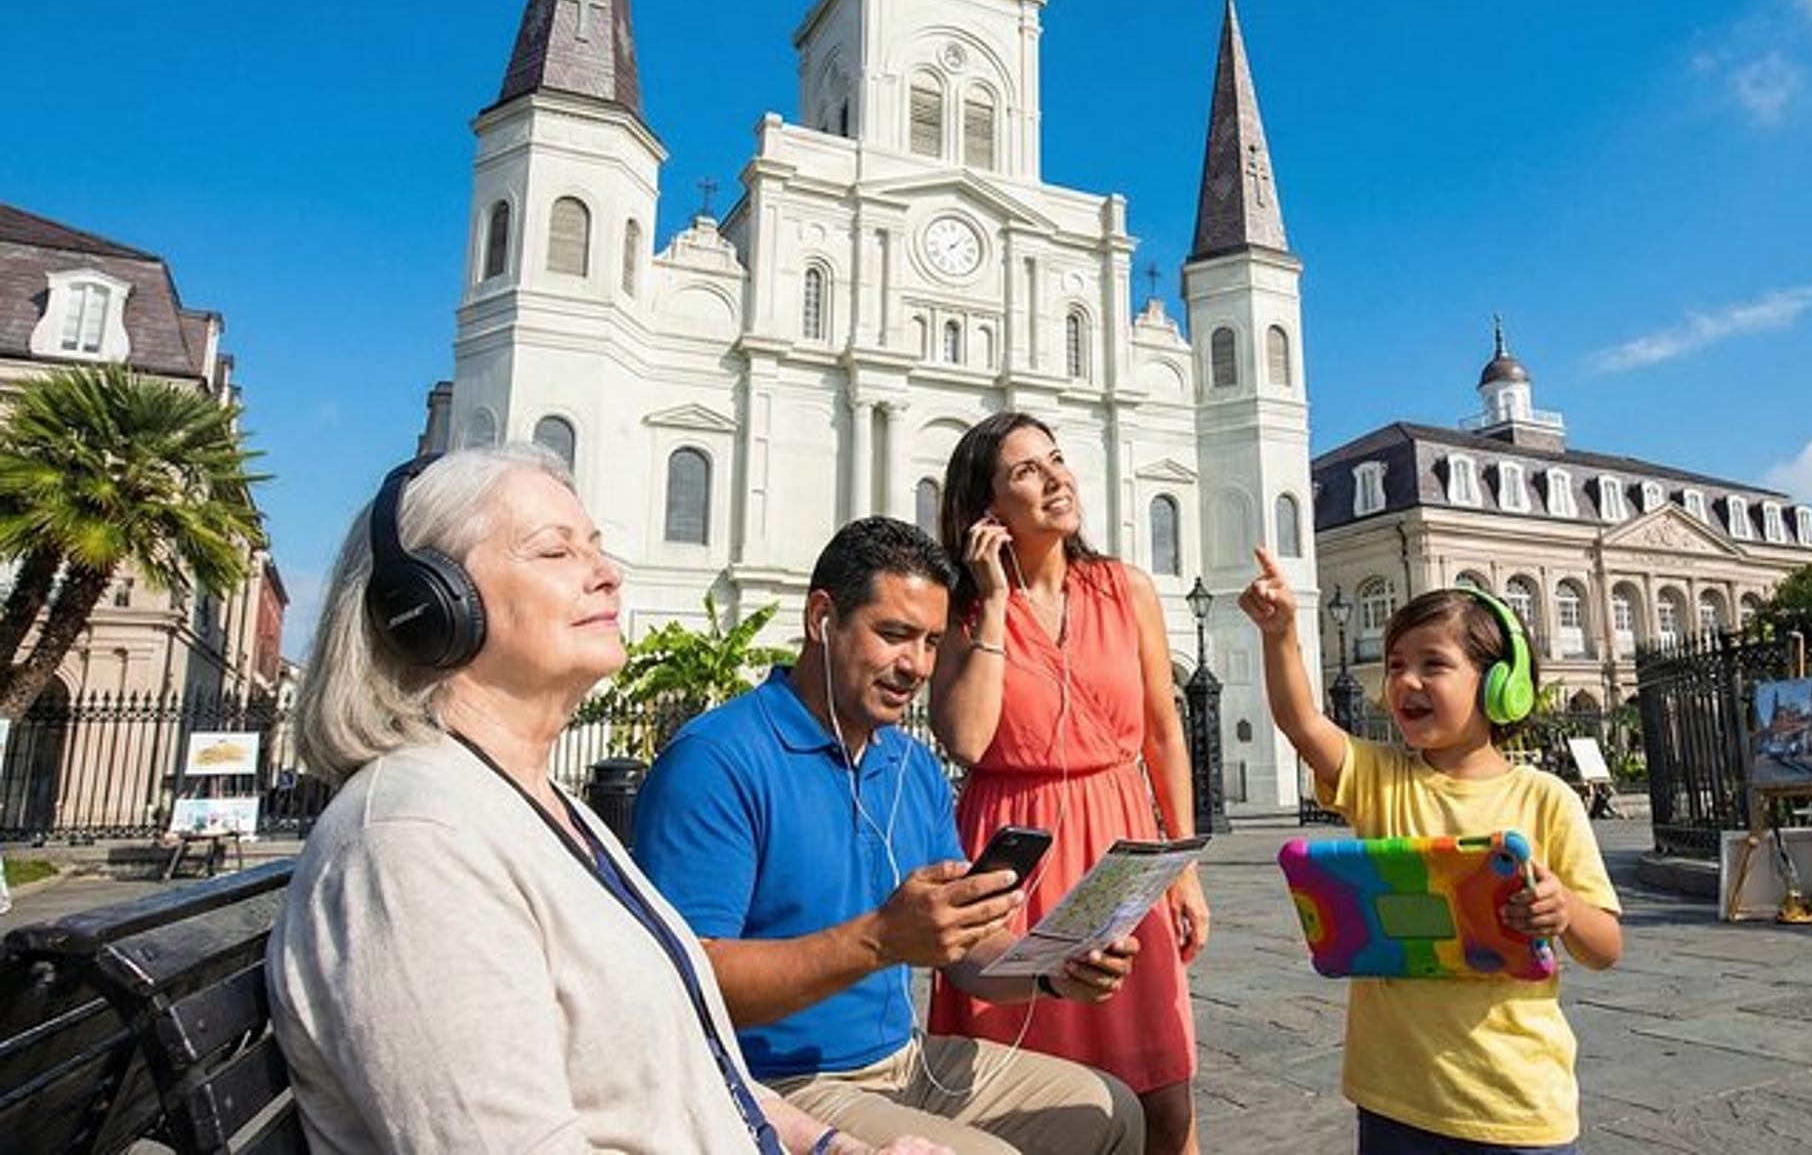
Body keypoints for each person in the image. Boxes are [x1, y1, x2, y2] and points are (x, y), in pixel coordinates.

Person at [268, 447, 941, 1155]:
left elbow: (696, 1076)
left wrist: (835, 1148)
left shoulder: (537, 806)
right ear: (430, 605)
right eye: (555, 551)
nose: (608, 574)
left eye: (595, 547)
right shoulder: (414, 844)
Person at [633, 517, 1147, 1155]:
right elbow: (686, 980)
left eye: (931, 642)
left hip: (907, 1063)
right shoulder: (717, 759)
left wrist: (1052, 969)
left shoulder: (911, 763)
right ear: (822, 618)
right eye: (895, 635)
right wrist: (879, 939)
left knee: (1112, 1111)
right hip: (774, 1082)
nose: (918, 666)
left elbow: (965, 952)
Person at [1239, 547, 1624, 1154]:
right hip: (1394, 1098)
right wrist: (1280, 632)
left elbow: (1604, 948)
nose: (1405, 681)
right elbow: (1301, 722)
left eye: (1433, 664)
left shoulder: (1546, 798)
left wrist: (1564, 909)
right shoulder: (1381, 777)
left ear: (1499, 685)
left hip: (1516, 1106)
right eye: (1396, 665)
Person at [925, 412, 1206, 1155]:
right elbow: (966, 739)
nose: (1056, 478)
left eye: (1056, 459)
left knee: (1165, 1094)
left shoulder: (1125, 588)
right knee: (1024, 1101)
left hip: (1121, 845)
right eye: (1027, 470)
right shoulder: (962, 611)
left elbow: (1163, 733)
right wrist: (992, 599)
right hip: (1015, 857)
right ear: (986, 507)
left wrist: (1184, 871)